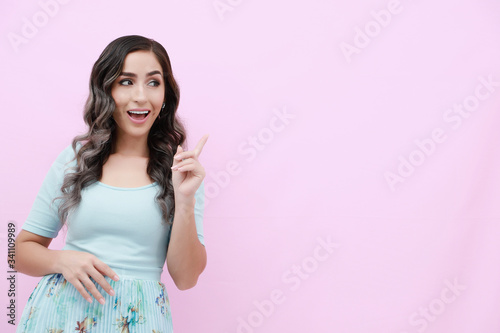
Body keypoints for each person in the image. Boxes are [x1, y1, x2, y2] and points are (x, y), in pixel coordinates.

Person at [13, 35, 208, 333]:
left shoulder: (181, 170)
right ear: (107, 89)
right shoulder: (76, 159)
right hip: (60, 317)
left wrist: (185, 201)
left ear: (166, 94)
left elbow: (186, 278)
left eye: (153, 82)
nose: (141, 96)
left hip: (141, 321)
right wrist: (61, 261)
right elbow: (20, 252)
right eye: (126, 81)